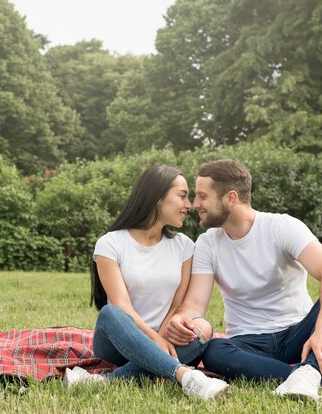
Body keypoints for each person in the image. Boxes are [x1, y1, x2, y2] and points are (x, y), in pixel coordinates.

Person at [166, 159, 322, 402]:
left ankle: (309, 374)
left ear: (230, 197)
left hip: (297, 335)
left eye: (202, 196)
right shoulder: (208, 243)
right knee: (216, 350)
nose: (195, 204)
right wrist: (182, 318)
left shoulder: (281, 227)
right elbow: (195, 304)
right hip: (248, 344)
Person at [63, 164, 229, 401]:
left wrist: (163, 337)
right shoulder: (110, 244)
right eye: (182, 196)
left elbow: (177, 305)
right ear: (158, 198)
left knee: (203, 327)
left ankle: (103, 382)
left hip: (166, 341)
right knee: (110, 312)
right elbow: (122, 307)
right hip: (118, 341)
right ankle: (186, 376)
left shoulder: (184, 246)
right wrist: (155, 340)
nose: (189, 205)